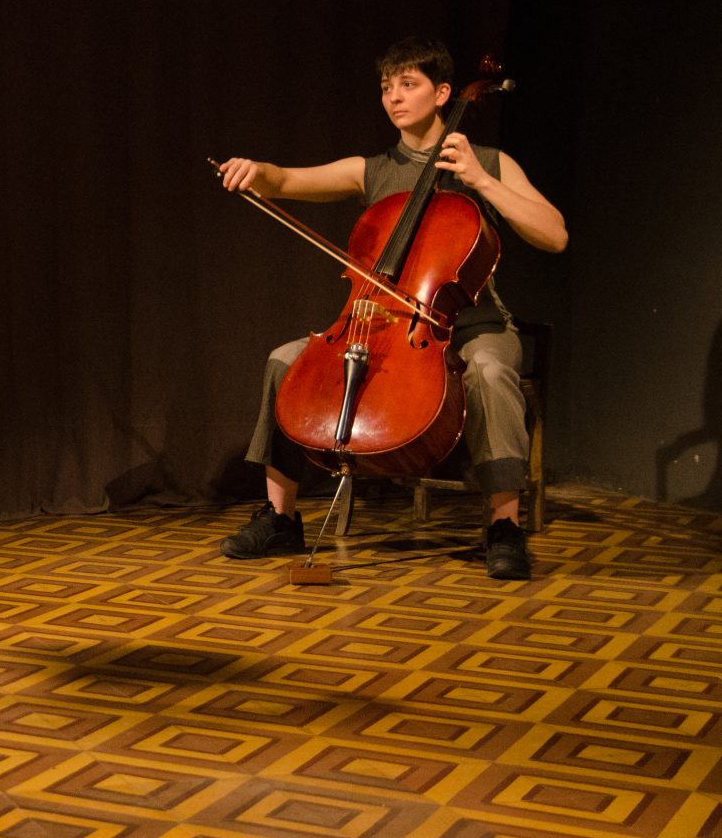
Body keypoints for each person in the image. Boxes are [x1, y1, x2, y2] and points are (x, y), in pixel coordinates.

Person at [214, 37, 567, 580]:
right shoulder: (372, 170)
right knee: (286, 361)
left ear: (444, 93)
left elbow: (554, 235)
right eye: (386, 87)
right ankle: (281, 518)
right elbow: (285, 180)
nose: (394, 97)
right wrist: (255, 170)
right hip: (384, 325)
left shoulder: (491, 162)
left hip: (473, 324)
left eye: (409, 84)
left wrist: (479, 180)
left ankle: (503, 527)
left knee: (492, 372)